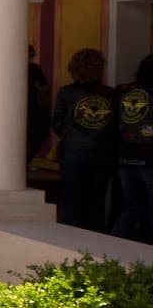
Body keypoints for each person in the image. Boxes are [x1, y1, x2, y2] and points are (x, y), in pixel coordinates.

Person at [52, 47, 116, 232]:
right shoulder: (110, 94)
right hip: (102, 152)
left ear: (74, 68)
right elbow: (114, 125)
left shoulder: (65, 92)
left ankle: (71, 238)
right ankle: (96, 239)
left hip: (72, 152)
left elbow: (57, 123)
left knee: (72, 199)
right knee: (97, 200)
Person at [110, 53, 153, 243]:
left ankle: (110, 245)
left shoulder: (126, 92)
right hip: (150, 158)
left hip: (126, 157)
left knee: (132, 209)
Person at [27, 44, 52, 164]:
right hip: (33, 119)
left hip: (34, 118)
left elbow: (43, 92)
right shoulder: (34, 69)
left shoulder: (34, 69)